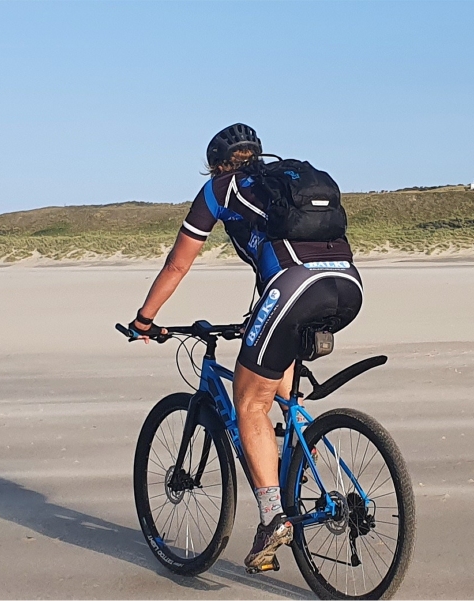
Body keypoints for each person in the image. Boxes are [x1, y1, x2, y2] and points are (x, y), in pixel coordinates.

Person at [126, 123, 363, 572]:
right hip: (347, 283)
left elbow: (179, 263)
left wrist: (145, 320)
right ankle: (297, 458)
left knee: (249, 402)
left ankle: (273, 516)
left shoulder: (221, 189)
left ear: (216, 163)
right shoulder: (283, 184)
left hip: (293, 289)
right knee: (275, 385)